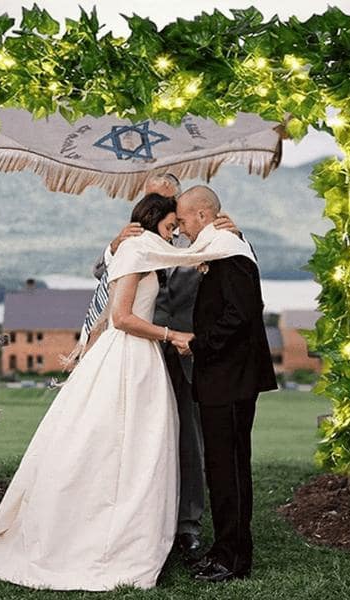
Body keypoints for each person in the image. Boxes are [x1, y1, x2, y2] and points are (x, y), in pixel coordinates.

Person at [0, 193, 253, 592]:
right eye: (170, 225)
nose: (176, 232)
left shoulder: (175, 250)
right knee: (109, 445)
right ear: (153, 221)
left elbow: (112, 314)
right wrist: (170, 334)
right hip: (135, 355)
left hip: (164, 363)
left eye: (179, 224)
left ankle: (177, 530)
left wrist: (235, 237)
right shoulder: (133, 250)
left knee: (159, 448)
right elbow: (119, 316)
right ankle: (105, 535)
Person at [89, 173, 242, 562]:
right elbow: (104, 274)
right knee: (136, 440)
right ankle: (136, 522)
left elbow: (235, 267)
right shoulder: (135, 240)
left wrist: (237, 238)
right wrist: (112, 247)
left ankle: (187, 526)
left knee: (188, 441)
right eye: (152, 201)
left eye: (168, 202)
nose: (160, 209)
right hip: (143, 354)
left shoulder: (201, 236)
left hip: (190, 354)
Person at [172, 185, 278, 583]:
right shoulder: (219, 250)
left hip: (231, 380)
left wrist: (198, 344)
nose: (181, 229)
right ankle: (223, 549)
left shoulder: (230, 253)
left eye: (183, 220)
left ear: (203, 215)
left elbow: (241, 314)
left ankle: (234, 559)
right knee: (220, 470)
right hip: (221, 380)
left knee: (229, 471)